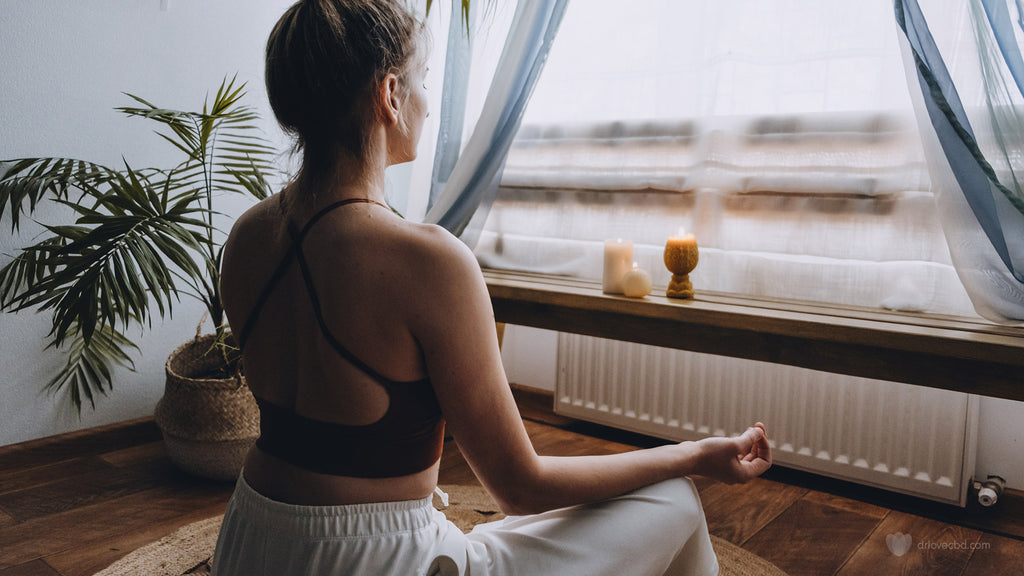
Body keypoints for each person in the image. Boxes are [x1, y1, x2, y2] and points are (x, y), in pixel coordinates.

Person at [212, 1, 772, 574]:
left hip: (250, 542)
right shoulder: (427, 261)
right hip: (374, 561)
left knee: (555, 518)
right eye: (423, 81)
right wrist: (695, 455)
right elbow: (520, 487)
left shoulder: (248, 238)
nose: (427, 103)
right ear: (389, 95)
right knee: (672, 495)